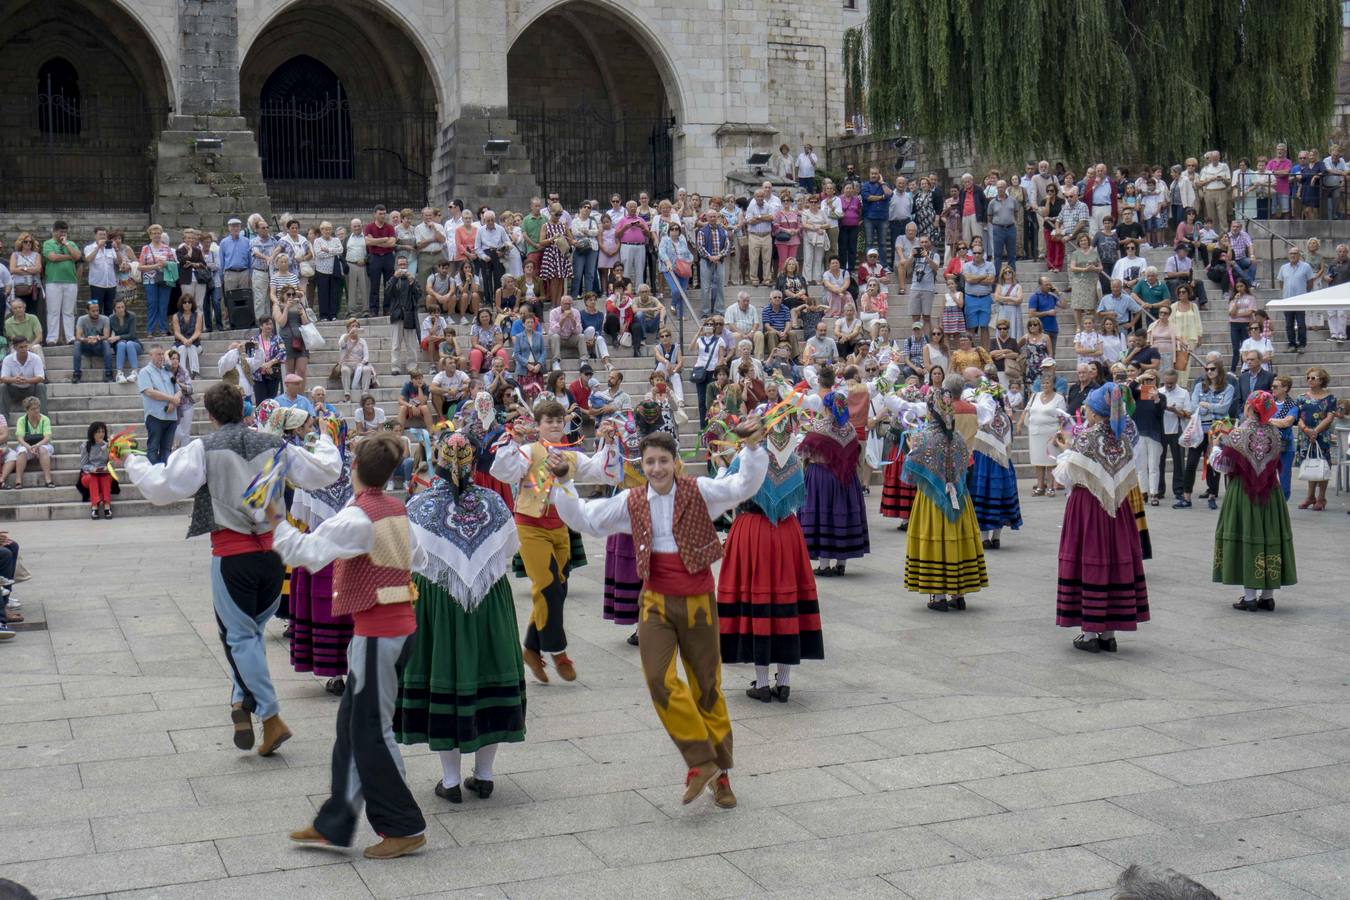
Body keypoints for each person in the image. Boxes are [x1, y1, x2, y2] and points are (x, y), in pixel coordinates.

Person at [550, 422, 767, 809]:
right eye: (649, 461)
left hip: (698, 600)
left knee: (707, 687)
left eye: (663, 461)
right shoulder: (631, 501)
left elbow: (742, 487)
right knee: (657, 679)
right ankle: (701, 761)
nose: (656, 468)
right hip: (655, 602)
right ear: (642, 464)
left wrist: (751, 448)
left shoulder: (700, 491)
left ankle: (722, 777)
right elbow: (584, 519)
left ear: (676, 463)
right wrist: (564, 483)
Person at [128, 383, 341, 755]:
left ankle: (271, 717)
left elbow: (161, 488)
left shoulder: (203, 448)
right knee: (250, 635)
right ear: (244, 409)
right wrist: (325, 436)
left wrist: (132, 459)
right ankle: (240, 706)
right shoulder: (274, 443)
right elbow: (324, 472)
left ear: (210, 416)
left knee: (240, 638)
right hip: (275, 557)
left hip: (233, 554)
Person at [276, 433, 427, 860]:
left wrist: (272, 520)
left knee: (371, 732)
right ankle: (336, 822)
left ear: (354, 467)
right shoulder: (395, 508)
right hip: (393, 628)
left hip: (379, 634)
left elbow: (305, 551)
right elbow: (421, 560)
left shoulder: (359, 517)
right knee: (351, 728)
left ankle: (404, 825)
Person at [489, 401, 622, 683]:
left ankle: (531, 648)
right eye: (548, 421)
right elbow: (503, 471)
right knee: (547, 588)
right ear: (538, 425)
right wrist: (513, 439)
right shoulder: (528, 451)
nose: (554, 425)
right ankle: (558, 651)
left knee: (557, 589)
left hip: (560, 526)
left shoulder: (571, 457)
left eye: (559, 421)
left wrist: (609, 443)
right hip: (530, 525)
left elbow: (603, 472)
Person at [718, 405, 820, 702]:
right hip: (786, 533)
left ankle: (762, 684)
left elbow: (729, 491)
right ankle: (784, 682)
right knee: (785, 601)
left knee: (756, 601)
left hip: (751, 531)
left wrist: (723, 467)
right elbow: (793, 500)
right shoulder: (793, 459)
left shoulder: (746, 457)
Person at [1053, 383, 1150, 653]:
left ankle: (1090, 633)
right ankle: (1109, 633)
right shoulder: (1122, 437)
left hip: (1088, 507)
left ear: (1095, 412)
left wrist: (1065, 451)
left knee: (1090, 559)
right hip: (1118, 509)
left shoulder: (1086, 437)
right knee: (1113, 559)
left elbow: (1067, 476)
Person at [902, 378, 988, 611]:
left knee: (935, 539)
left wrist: (911, 447)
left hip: (932, 500)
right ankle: (958, 594)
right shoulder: (957, 437)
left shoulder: (925, 437)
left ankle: (938, 596)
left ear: (932, 409)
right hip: (959, 497)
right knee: (957, 540)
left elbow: (910, 467)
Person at [1210, 391, 1298, 613]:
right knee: (1269, 536)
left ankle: (1249, 597)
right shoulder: (1276, 434)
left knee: (1247, 535)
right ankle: (1267, 597)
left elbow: (1224, 466)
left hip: (1243, 492)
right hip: (1271, 492)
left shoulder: (1238, 434)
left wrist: (1215, 447)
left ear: (1249, 407)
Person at [798, 385, 870, 577]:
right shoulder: (850, 429)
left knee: (823, 516)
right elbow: (855, 453)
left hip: (821, 477)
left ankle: (823, 565)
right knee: (841, 514)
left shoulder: (819, 427)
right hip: (846, 479)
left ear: (827, 407)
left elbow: (805, 452)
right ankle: (841, 564)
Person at [968, 382, 1022, 548]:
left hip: (983, 461)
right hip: (1003, 463)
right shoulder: (1005, 417)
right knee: (999, 496)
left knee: (982, 494)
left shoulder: (982, 415)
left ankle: (984, 538)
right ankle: (996, 537)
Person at [1177, 359, 1235, 509]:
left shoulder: (1228, 388)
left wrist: (1207, 405)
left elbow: (1225, 408)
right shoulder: (1199, 386)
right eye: (1207, 369)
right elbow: (1194, 406)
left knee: (1213, 464)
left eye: (1212, 369)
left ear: (1219, 370)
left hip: (1217, 431)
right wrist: (1210, 408)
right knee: (1191, 463)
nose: (1209, 372)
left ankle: (1212, 496)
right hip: (1199, 431)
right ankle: (1186, 497)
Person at [1294, 367, 1337, 511]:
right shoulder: (1301, 397)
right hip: (1305, 435)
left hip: (1321, 435)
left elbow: (1330, 417)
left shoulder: (1330, 398)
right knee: (1310, 464)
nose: (1309, 380)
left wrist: (1316, 431)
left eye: (1313, 378)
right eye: (1308, 378)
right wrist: (1306, 430)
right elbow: (1297, 417)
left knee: (1322, 464)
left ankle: (1321, 497)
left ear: (1322, 380)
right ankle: (1310, 496)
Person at [1, 395, 54, 489]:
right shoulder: (21, 420)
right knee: (21, 451)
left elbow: (47, 437)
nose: (37, 411)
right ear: (27, 410)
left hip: (42, 444)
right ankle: (18, 480)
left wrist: (37, 445)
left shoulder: (45, 419)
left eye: (37, 408)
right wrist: (29, 447)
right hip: (26, 445)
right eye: (33, 409)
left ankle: (48, 479)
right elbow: (20, 438)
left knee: (42, 450)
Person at [71, 299, 114, 385]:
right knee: (77, 343)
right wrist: (87, 340)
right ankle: (76, 373)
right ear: (87, 311)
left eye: (97, 310)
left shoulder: (105, 319)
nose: (96, 313)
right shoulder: (81, 319)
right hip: (86, 346)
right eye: (93, 311)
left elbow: (106, 336)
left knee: (106, 342)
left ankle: (108, 373)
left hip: (99, 346)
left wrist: (97, 338)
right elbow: (78, 336)